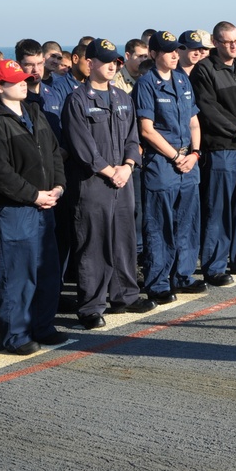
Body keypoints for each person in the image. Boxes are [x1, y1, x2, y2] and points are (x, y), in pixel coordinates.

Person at [63, 41, 157, 328]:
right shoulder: (78, 100)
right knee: (93, 244)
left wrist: (128, 167)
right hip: (94, 182)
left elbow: (132, 138)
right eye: (105, 61)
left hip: (123, 179)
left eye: (114, 61)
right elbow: (82, 146)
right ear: (89, 63)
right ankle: (91, 306)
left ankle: (125, 295)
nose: (112, 65)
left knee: (124, 239)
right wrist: (109, 171)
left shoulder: (122, 97)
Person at [0, 59, 69, 351]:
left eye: (24, 79)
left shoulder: (34, 111)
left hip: (45, 205)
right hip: (16, 210)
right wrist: (34, 195)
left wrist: (58, 186)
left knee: (46, 271)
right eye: (15, 80)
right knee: (16, 276)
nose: (23, 83)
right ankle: (16, 335)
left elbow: (54, 152)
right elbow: (0, 173)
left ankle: (43, 326)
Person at [190, 22, 236, 280]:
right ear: (215, 42)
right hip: (221, 149)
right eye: (227, 41)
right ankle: (215, 266)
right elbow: (208, 109)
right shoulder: (204, 70)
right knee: (219, 210)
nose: (234, 45)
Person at [133, 31, 206, 298]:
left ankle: (183, 275)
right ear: (153, 54)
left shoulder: (182, 79)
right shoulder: (146, 84)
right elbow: (147, 130)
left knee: (187, 222)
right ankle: (158, 283)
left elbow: (194, 121)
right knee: (159, 227)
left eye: (177, 50)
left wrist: (195, 153)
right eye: (168, 51)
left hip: (189, 161)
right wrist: (176, 157)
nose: (175, 55)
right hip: (163, 164)